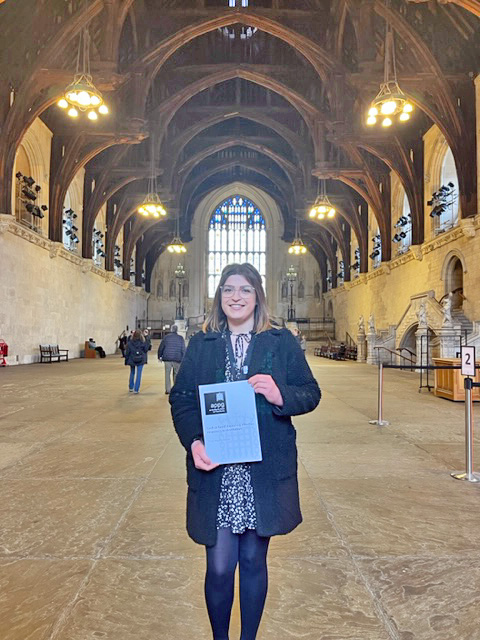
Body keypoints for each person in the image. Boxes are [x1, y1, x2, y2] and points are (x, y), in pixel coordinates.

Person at [170, 263, 321, 640]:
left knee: (254, 561)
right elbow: (183, 400)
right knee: (220, 566)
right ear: (219, 297)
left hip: (263, 470)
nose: (236, 297)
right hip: (218, 471)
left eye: (245, 290)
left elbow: (310, 392)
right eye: (228, 290)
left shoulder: (280, 341)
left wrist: (279, 394)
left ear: (258, 297)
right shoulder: (201, 344)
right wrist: (194, 441)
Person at [157, 325, 186, 394]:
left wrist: (159, 356)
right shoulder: (180, 338)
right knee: (176, 374)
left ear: (171, 330)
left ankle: (168, 390)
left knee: (167, 374)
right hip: (177, 358)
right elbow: (183, 349)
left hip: (167, 358)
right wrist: (184, 358)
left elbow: (161, 347)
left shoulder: (166, 337)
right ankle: (176, 389)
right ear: (177, 330)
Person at [124, 329, 149, 393]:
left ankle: (131, 387)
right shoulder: (143, 342)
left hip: (132, 359)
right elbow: (146, 349)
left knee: (132, 373)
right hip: (140, 359)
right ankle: (136, 389)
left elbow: (127, 353)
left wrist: (126, 360)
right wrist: (146, 337)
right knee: (139, 374)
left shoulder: (129, 343)